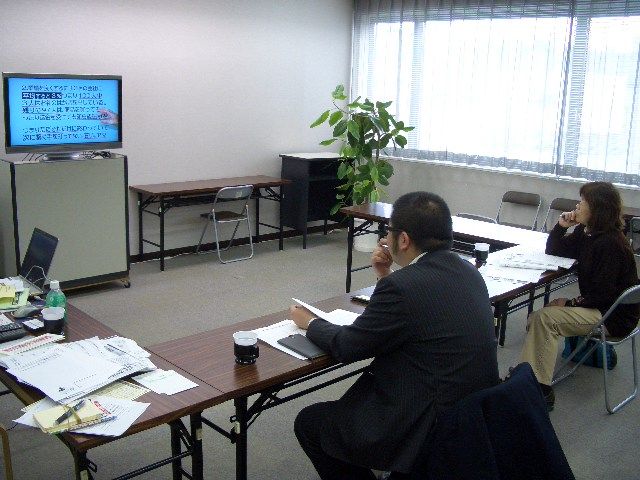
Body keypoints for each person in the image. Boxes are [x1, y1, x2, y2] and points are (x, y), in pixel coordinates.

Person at [290, 191, 500, 479]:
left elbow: (348, 346)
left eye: (388, 231)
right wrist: (385, 273)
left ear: (403, 240)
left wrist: (310, 322)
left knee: (311, 424)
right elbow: (418, 311)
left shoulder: (403, 286)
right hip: (472, 412)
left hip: (427, 419)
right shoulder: (468, 271)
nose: (384, 238)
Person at [520, 181, 639, 410]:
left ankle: (539, 390)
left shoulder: (610, 244)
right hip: (601, 307)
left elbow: (602, 294)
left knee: (544, 319)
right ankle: (527, 378)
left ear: (597, 209)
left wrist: (568, 303)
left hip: (613, 316)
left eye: (582, 202)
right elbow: (555, 250)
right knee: (538, 318)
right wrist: (561, 226)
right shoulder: (588, 233)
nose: (577, 206)